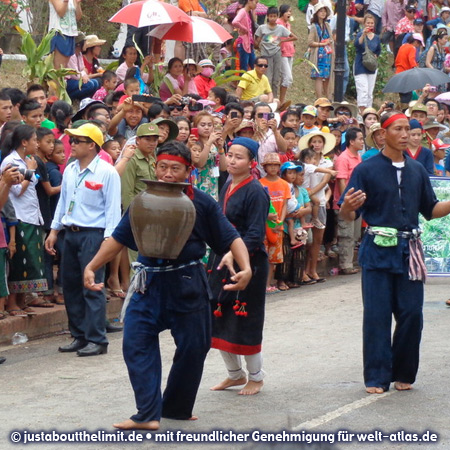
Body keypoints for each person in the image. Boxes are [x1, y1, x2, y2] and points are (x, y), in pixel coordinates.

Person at [83, 140, 251, 430]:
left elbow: (231, 237)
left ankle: (176, 407)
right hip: (148, 283)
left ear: (188, 172)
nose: (168, 174)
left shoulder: (202, 203)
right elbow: (119, 239)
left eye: (176, 169)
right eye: (163, 167)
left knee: (193, 347)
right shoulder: (142, 201)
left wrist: (246, 268)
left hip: (188, 284)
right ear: (155, 167)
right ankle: (147, 413)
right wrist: (92, 266)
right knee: (135, 342)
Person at [339, 111, 450, 394]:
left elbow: (431, 210)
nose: (404, 134)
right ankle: (376, 376)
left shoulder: (416, 171)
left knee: (412, 313)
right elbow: (348, 213)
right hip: (377, 251)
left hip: (409, 251)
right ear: (383, 134)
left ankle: (404, 372)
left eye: (408, 129)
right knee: (376, 315)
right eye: (398, 129)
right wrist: (348, 206)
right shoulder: (366, 169)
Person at [45, 123, 121, 357]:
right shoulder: (70, 170)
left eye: (78, 141)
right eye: (72, 140)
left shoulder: (107, 172)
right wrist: (54, 230)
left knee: (92, 286)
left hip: (94, 235)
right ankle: (79, 335)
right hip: (71, 233)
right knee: (70, 286)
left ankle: (97, 339)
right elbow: (63, 202)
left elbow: (112, 211)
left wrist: (109, 240)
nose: (72, 144)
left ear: (92, 145)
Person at [208, 137, 269, 395]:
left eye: (239, 157)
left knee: (246, 318)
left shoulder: (256, 191)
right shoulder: (228, 184)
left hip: (248, 263)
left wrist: (234, 254)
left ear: (251, 162)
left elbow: (255, 233)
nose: (232, 161)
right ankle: (235, 375)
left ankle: (256, 376)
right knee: (218, 316)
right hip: (221, 260)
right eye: (229, 155)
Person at [0, 125, 47, 316]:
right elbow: (17, 191)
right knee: (20, 262)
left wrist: (30, 169)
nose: (37, 143)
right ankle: (12, 303)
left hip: (32, 215)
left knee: (32, 263)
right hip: (19, 216)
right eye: (34, 140)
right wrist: (29, 171)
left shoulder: (29, 160)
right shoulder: (10, 162)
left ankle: (22, 300)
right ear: (24, 142)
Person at [259, 152, 291, 293]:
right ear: (265, 167)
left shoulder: (284, 184)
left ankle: (267, 284)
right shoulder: (260, 184)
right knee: (263, 255)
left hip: (277, 225)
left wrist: (281, 221)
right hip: (263, 225)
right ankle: (260, 285)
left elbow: (284, 205)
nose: (272, 168)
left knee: (273, 258)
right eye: (269, 165)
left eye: (275, 165)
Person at [333, 127, 363, 275]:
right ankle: (345, 264)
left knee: (354, 234)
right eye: (360, 139)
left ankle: (349, 262)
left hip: (358, 201)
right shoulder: (343, 158)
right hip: (346, 203)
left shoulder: (358, 156)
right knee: (346, 234)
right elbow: (341, 181)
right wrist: (346, 201)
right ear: (351, 141)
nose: (362, 142)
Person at [254, 7, 297, 98]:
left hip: (277, 54)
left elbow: (294, 37)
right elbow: (256, 41)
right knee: (267, 77)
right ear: (267, 17)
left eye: (275, 16)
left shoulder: (280, 28)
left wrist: (282, 42)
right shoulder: (262, 28)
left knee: (276, 78)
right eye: (271, 16)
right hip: (265, 55)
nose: (273, 18)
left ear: (277, 17)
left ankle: (274, 98)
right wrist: (258, 47)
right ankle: (266, 97)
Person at [354, 14, 382, 115]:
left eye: (372, 23)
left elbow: (378, 50)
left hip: (371, 67)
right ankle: (362, 112)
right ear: (364, 23)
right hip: (361, 65)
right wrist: (363, 34)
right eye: (368, 23)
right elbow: (357, 44)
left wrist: (375, 56)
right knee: (363, 91)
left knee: (370, 93)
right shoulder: (360, 34)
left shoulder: (377, 37)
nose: (370, 25)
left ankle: (369, 113)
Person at [308, 2, 334, 99]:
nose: (323, 13)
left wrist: (329, 41)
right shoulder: (314, 26)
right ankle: (319, 98)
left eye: (324, 11)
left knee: (327, 76)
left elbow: (331, 38)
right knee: (319, 77)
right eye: (321, 11)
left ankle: (327, 97)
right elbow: (310, 42)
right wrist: (321, 44)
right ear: (316, 13)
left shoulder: (327, 25)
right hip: (319, 54)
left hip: (328, 53)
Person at [48, 0, 82, 69]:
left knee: (64, 67)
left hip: (70, 33)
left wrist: (78, 4)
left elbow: (78, 16)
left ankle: (61, 79)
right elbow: (61, 13)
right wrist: (66, 2)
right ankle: (55, 80)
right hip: (59, 33)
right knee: (58, 67)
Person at [277, 5, 297, 105]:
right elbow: (273, 38)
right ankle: (281, 101)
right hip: (282, 53)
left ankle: (282, 101)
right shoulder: (278, 23)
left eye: (290, 11)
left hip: (290, 52)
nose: (289, 13)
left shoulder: (288, 24)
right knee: (288, 78)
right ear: (282, 12)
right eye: (287, 11)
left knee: (287, 79)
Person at [232, 0, 258, 71]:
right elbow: (235, 22)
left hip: (249, 44)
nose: (256, 5)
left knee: (254, 66)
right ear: (249, 1)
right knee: (244, 68)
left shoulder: (248, 13)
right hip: (243, 43)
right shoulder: (243, 11)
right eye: (256, 2)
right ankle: (242, 82)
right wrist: (244, 29)